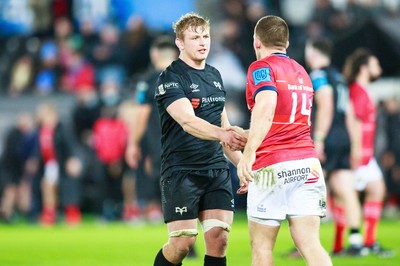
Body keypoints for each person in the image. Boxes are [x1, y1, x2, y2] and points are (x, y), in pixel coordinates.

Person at [229, 15, 332, 265]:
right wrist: (248, 134)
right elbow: (286, 121)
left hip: (272, 166)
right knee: (310, 243)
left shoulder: (262, 68)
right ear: (286, 43)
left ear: (256, 42)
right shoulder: (301, 72)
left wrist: (250, 152)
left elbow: (266, 106)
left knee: (262, 248)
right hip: (307, 164)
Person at [152, 13, 246, 266]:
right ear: (180, 43)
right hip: (182, 171)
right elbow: (188, 121)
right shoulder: (170, 77)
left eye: (205, 36)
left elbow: (224, 127)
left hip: (215, 170)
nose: (202, 42)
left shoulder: (215, 75)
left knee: (219, 239)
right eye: (194, 38)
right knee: (182, 243)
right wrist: (224, 134)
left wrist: (243, 165)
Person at [304, 38, 363, 256]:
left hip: (327, 136)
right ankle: (356, 240)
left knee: (309, 188)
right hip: (343, 137)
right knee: (346, 190)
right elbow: (349, 113)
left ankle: (307, 243)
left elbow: (326, 104)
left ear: (313, 52)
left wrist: (319, 138)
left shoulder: (319, 75)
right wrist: (355, 144)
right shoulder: (339, 77)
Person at [343, 48, 393, 257]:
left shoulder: (362, 90)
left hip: (366, 154)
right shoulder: (357, 91)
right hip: (359, 154)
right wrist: (356, 149)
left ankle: (367, 241)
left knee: (376, 190)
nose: (378, 68)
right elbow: (353, 120)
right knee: (346, 195)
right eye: (375, 64)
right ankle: (353, 242)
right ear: (364, 68)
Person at [125, 35, 178, 223]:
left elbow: (142, 113)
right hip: (187, 139)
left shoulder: (147, 81)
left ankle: (174, 224)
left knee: (164, 181)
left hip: (159, 141)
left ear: (154, 54)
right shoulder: (187, 77)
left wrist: (132, 143)